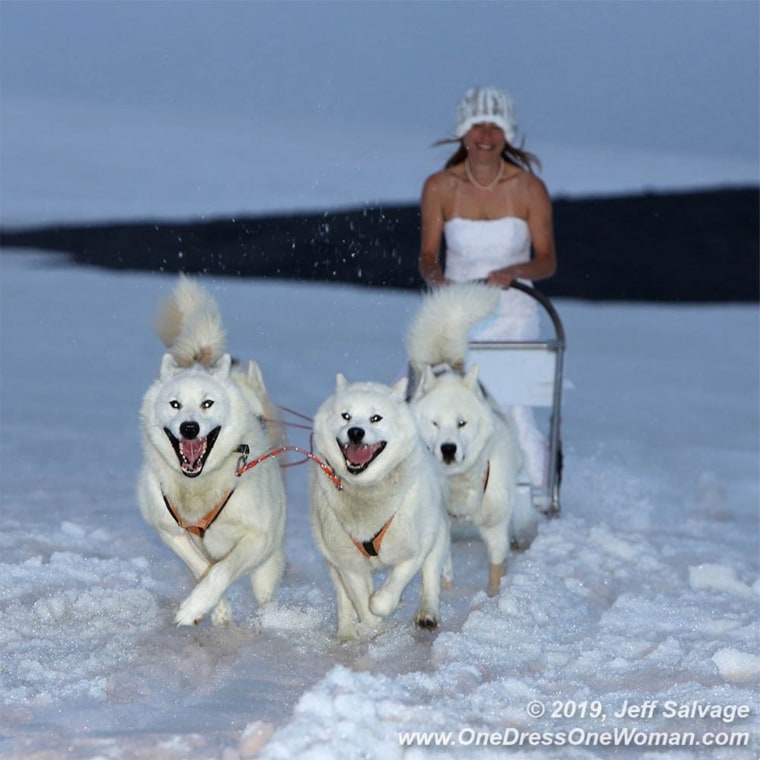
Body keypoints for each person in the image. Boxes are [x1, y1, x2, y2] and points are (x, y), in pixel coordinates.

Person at [418, 85, 557, 489]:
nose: (485, 134)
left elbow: (547, 260)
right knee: (439, 401)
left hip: (514, 311)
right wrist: (438, 278)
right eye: (477, 124)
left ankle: (535, 498)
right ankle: (435, 493)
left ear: (508, 132)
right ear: (462, 130)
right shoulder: (439, 186)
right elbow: (428, 255)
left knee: (512, 409)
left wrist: (515, 269)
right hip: (459, 312)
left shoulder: (529, 189)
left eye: (494, 125)